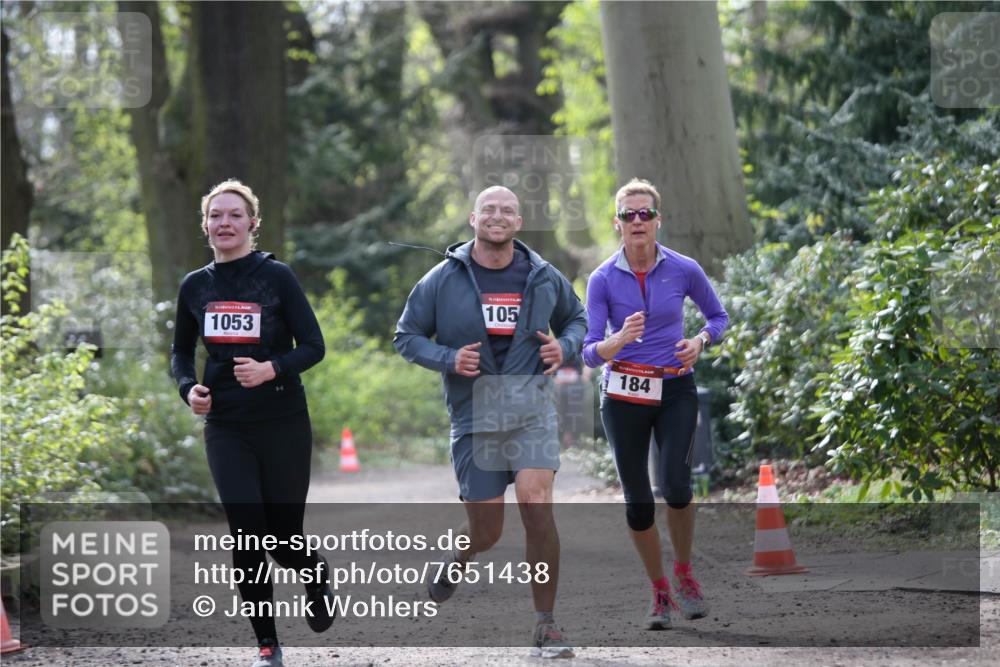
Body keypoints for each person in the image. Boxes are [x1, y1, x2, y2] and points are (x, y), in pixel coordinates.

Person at [394, 186, 587, 659]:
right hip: (474, 415)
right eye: (488, 210)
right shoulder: (442, 279)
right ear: (472, 219)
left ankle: (547, 623)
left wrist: (564, 347)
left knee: (536, 501)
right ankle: (459, 557)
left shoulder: (542, 276)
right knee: (487, 532)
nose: (497, 217)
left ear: (518, 222)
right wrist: (447, 357)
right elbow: (406, 336)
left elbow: (577, 319)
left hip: (531, 409)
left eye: (506, 211)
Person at [171, 179, 334, 667]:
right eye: (216, 215)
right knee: (246, 531)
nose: (224, 222)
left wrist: (272, 368)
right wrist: (189, 390)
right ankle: (267, 643)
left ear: (252, 224)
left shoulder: (276, 276)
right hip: (226, 425)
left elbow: (314, 345)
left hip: (282, 419)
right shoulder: (195, 286)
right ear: (206, 226)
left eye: (234, 215)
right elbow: (181, 352)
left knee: (282, 538)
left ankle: (314, 571)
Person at [582, 178, 728, 630]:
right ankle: (659, 592)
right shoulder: (602, 278)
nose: (638, 221)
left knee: (678, 488)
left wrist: (700, 341)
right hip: (623, 395)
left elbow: (718, 317)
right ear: (618, 224)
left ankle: (685, 574)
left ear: (658, 220)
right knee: (638, 504)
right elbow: (588, 352)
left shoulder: (683, 269)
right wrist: (619, 339)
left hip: (674, 390)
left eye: (646, 214)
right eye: (629, 215)